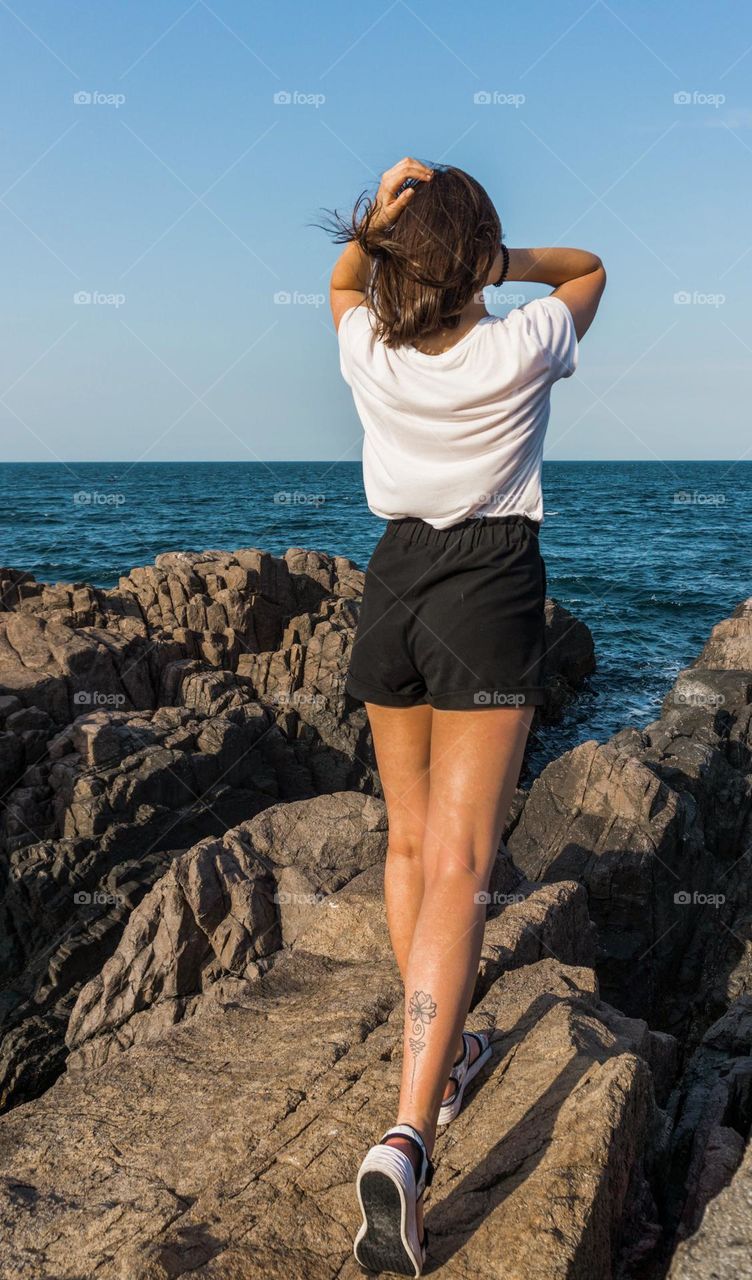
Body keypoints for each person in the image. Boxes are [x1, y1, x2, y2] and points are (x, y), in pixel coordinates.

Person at [326, 156, 606, 1277]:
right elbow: (586, 264)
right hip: (490, 583)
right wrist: (496, 257)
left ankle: (437, 1062)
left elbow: (340, 281)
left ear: (402, 258)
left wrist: (386, 217)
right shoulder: (520, 340)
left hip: (391, 583)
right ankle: (407, 1134)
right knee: (461, 857)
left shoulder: (372, 352)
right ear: (480, 257)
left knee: (404, 841)